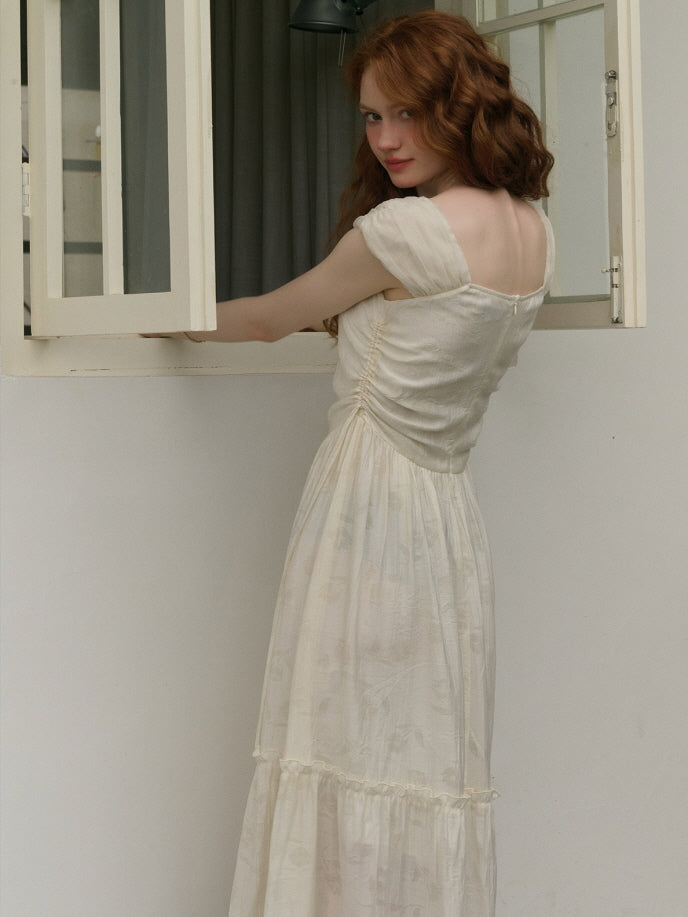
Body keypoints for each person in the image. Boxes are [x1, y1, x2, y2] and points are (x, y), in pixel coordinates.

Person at [183, 11, 554, 915]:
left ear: (458, 105)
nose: (385, 138)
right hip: (446, 521)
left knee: (344, 740)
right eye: (371, 117)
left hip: (368, 508)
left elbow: (268, 318)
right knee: (415, 751)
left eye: (406, 113)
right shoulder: (535, 231)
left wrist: (153, 315)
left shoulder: (406, 232)